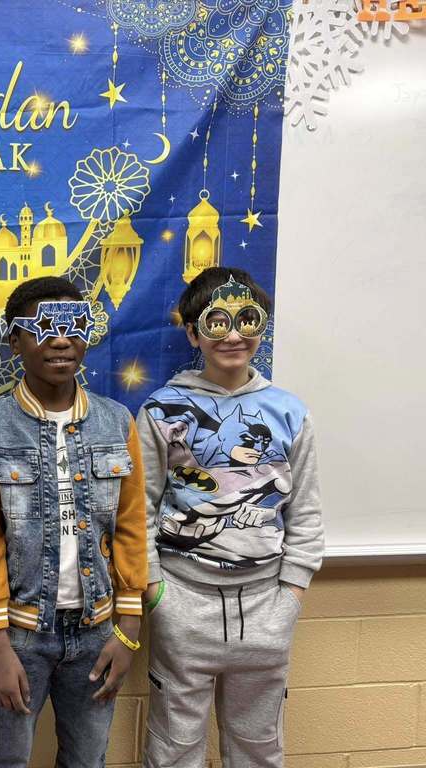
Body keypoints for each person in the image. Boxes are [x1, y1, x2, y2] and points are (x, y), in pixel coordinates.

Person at [139, 267, 325, 767]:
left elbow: (306, 513)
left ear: (261, 326)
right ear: (193, 333)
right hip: (182, 599)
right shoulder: (161, 411)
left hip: (267, 602)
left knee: (258, 747)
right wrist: (157, 594)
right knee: (174, 747)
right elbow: (139, 511)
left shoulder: (290, 413)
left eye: (247, 320)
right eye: (217, 322)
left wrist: (290, 596)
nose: (234, 335)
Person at [0, 276, 147, 767]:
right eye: (42, 328)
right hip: (21, 633)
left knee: (87, 761)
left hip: (97, 631)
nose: (60, 341)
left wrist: (128, 629)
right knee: (7, 760)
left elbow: (131, 525)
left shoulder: (117, 422)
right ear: (14, 341)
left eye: (73, 328)